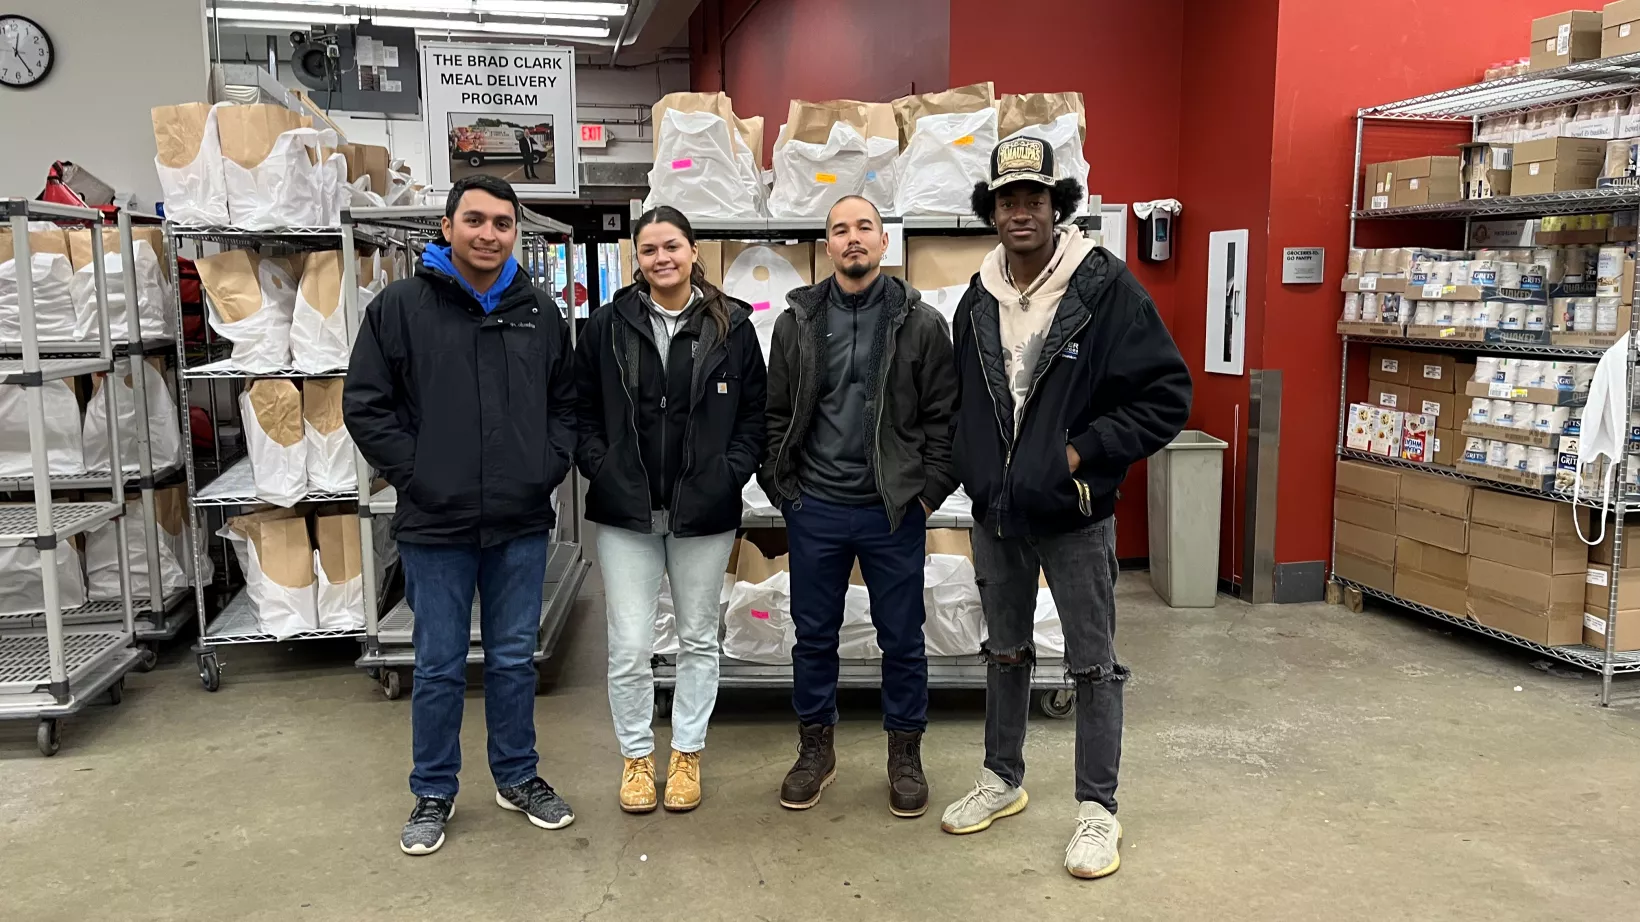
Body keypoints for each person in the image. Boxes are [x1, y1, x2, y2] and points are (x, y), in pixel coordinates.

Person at [939, 137, 1191, 879]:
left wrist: (1080, 454)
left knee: (1093, 664)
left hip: (1077, 514)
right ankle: (1002, 778)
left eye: (1035, 199)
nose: (1021, 212)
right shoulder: (977, 297)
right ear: (991, 211)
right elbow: (962, 400)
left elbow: (1166, 395)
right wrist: (976, 468)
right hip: (999, 512)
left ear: (1057, 208)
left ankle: (1097, 812)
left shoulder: (1104, 288)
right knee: (1005, 651)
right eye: (1008, 199)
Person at [344, 174, 579, 856]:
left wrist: (545, 465)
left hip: (519, 521)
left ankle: (516, 776)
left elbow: (565, 404)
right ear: (447, 227)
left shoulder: (539, 312)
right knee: (440, 664)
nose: (488, 234)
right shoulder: (399, 308)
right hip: (435, 526)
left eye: (502, 223)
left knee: (512, 658)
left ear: (516, 233)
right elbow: (365, 404)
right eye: (474, 219)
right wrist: (421, 474)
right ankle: (434, 790)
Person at [760, 194, 958, 818]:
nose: (853, 238)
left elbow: (943, 422)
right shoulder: (795, 321)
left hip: (890, 508)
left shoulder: (919, 322)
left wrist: (925, 495)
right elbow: (772, 414)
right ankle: (815, 748)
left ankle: (905, 754)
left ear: (883, 242)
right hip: (814, 505)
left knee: (902, 638)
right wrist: (783, 490)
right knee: (812, 638)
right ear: (827, 244)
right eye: (839, 229)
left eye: (864, 228)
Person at [572, 206, 767, 814]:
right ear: (637, 257)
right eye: (650, 248)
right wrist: (601, 465)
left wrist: (728, 474)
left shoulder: (732, 324)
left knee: (697, 638)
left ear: (692, 250)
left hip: (703, 511)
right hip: (626, 511)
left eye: (673, 246)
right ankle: (636, 756)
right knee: (629, 644)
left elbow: (754, 416)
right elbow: (579, 412)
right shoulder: (605, 325)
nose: (662, 258)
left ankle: (686, 753)